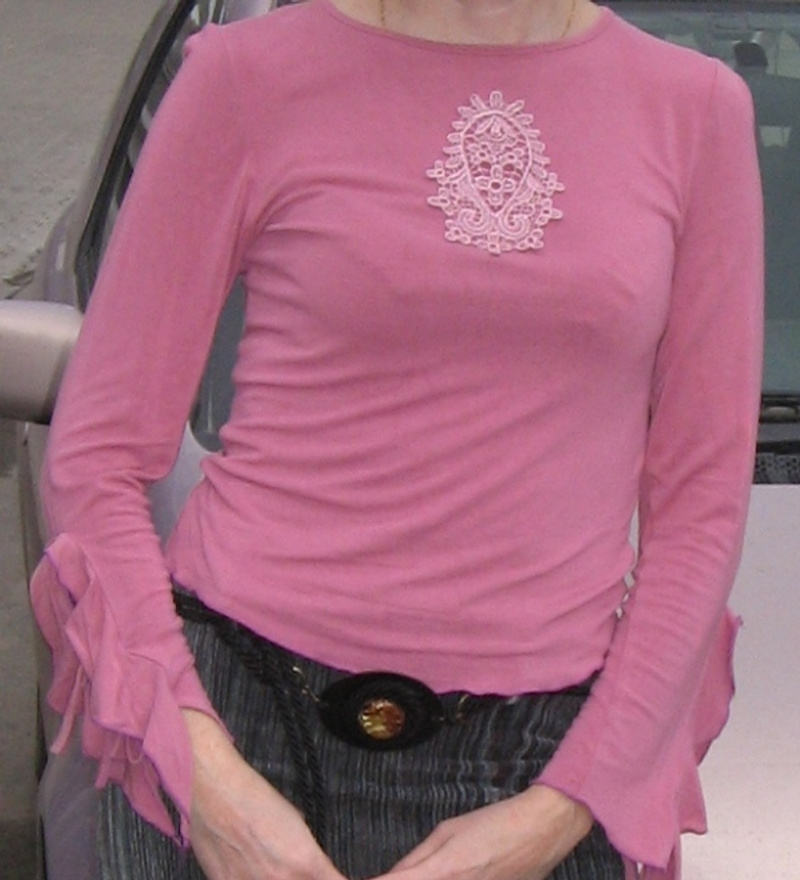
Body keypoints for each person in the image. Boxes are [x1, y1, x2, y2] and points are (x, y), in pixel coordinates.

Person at [30, 1, 763, 879]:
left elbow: (701, 507)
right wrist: (206, 778)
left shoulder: (694, 110)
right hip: (236, 735)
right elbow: (98, 454)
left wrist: (564, 809)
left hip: (547, 775)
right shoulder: (246, 76)